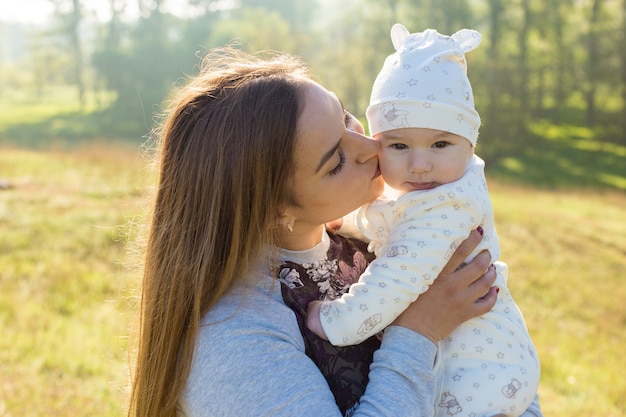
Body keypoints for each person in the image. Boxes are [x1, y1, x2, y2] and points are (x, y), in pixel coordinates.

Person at [127, 46, 543, 417]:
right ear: (275, 210)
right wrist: (419, 331)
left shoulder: (380, 238)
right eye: (336, 161)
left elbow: (495, 358)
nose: (371, 147)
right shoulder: (232, 338)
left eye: (347, 117)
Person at [306, 24, 541, 417]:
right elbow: (390, 217)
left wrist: (334, 321)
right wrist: (345, 220)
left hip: (476, 381)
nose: (419, 164)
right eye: (398, 145)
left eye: (440, 144)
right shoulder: (434, 190)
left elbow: (397, 279)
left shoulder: (448, 208)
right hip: (483, 365)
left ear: (470, 143)